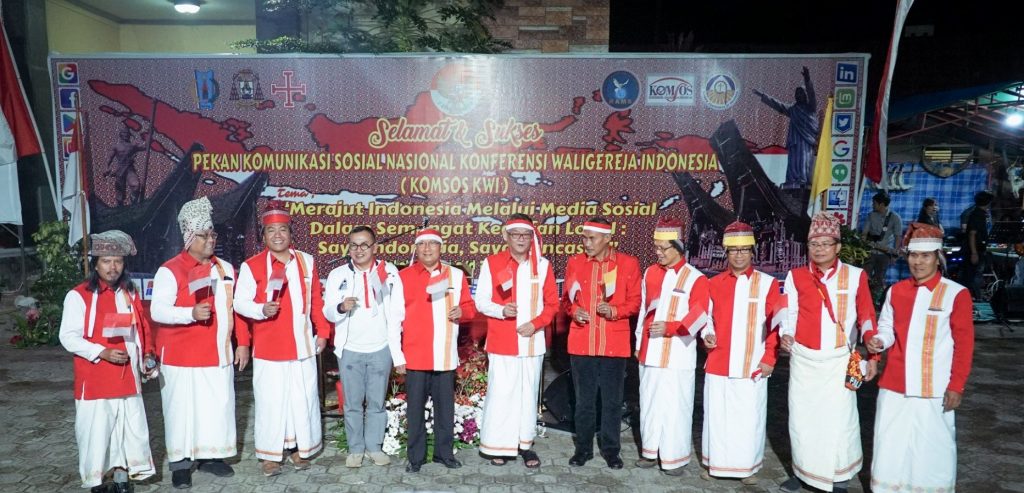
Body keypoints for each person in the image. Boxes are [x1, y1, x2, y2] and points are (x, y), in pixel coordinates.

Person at [865, 222, 974, 492]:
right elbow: (887, 327)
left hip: (934, 386)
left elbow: (964, 345)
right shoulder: (896, 291)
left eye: (925, 256)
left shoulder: (956, 294)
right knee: (890, 441)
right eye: (913, 255)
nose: (918, 262)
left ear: (938, 258)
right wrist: (880, 341)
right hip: (895, 384)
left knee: (933, 445)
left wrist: (957, 385)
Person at [150, 197, 246, 489]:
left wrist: (242, 343)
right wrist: (189, 313)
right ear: (189, 237)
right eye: (204, 235)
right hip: (181, 356)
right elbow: (157, 311)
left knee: (216, 407)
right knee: (180, 410)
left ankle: (210, 457)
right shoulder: (170, 270)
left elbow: (238, 309)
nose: (210, 240)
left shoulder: (225, 268)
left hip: (218, 353)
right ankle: (180, 464)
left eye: (212, 234)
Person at [779, 212, 878, 493]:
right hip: (804, 360)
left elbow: (866, 315)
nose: (819, 249)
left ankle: (839, 477)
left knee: (839, 421)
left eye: (825, 244)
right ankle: (802, 472)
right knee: (802, 419)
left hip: (838, 360)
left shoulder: (855, 276)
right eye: (814, 244)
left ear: (837, 246)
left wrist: (873, 348)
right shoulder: (796, 276)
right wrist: (786, 332)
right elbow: (788, 310)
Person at [234, 203, 331, 477]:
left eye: (283, 230)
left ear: (291, 233)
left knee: (303, 399)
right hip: (269, 348)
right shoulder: (251, 266)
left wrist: (323, 331)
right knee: (271, 401)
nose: (277, 235)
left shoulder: (307, 261)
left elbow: (316, 301)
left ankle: (300, 448)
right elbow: (239, 303)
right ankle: (270, 455)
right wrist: (260, 309)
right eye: (271, 230)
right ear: (263, 236)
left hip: (302, 344)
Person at [59, 230, 157, 493]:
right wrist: (101, 352)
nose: (113, 267)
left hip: (127, 377)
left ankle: (122, 478)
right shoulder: (78, 295)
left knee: (128, 430)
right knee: (97, 433)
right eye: (106, 261)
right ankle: (97, 482)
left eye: (118, 261)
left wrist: (147, 355)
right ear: (95, 264)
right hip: (96, 379)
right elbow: (68, 337)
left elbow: (142, 328)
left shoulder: (129, 293)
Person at [700, 221, 782, 485]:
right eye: (734, 250)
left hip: (752, 363)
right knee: (717, 416)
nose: (739, 255)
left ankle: (747, 468)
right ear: (726, 252)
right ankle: (715, 464)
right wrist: (707, 335)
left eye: (744, 250)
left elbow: (776, 325)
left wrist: (769, 358)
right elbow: (706, 318)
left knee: (749, 418)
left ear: (752, 252)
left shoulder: (768, 284)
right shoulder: (713, 283)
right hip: (719, 361)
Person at [474, 214, 558, 468]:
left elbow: (552, 304)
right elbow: (481, 301)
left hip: (532, 342)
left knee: (528, 395)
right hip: (502, 341)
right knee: (502, 394)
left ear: (532, 237)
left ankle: (525, 446)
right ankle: (497, 445)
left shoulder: (542, 265)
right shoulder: (492, 263)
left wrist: (536, 323)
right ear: (506, 236)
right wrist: (501, 310)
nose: (521, 239)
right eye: (515, 235)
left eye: (525, 235)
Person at [562, 218, 641, 469]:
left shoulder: (628, 264)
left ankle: (611, 451)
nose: (586, 243)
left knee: (612, 402)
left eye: (592, 238)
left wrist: (615, 310)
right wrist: (574, 311)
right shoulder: (575, 262)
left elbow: (635, 302)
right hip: (582, 343)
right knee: (584, 402)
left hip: (613, 344)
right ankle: (583, 450)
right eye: (584, 238)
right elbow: (566, 300)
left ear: (607, 239)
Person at [323, 225, 404, 469]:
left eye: (364, 245)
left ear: (374, 247)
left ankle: (374, 447)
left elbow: (397, 311)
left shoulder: (388, 271)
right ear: (348, 248)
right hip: (350, 350)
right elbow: (327, 310)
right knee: (352, 404)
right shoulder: (338, 274)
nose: (359, 250)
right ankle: (356, 448)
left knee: (377, 403)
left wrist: (396, 352)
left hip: (380, 348)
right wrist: (340, 307)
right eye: (354, 245)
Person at [397, 228, 477, 472]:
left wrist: (462, 312)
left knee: (445, 409)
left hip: (444, 354)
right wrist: (397, 355)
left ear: (441, 247)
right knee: (415, 410)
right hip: (415, 355)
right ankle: (416, 458)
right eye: (422, 244)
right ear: (416, 249)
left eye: (432, 244)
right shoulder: (403, 276)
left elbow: (470, 308)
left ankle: (444, 454)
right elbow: (394, 317)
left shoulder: (456, 275)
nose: (427, 249)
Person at [634, 217, 709, 476]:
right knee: (649, 403)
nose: (658, 253)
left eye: (663, 248)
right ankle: (649, 452)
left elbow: (700, 317)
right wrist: (638, 342)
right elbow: (644, 310)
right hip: (650, 351)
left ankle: (674, 459)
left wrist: (670, 327)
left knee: (677, 406)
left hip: (679, 354)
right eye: (655, 247)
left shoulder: (696, 278)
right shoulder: (650, 273)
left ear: (678, 247)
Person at [753, 66, 817, 188]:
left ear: (805, 95)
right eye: (797, 93)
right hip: (794, 142)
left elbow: (812, 93)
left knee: (803, 162)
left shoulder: (810, 108)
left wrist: (807, 79)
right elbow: (778, 105)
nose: (798, 95)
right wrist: (763, 96)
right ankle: (792, 181)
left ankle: (802, 181)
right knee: (793, 163)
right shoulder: (793, 109)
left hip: (805, 142)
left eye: (801, 93)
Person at [862, 191, 902, 300]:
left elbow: (898, 237)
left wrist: (895, 254)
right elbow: (864, 233)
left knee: (879, 278)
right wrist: (863, 245)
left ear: (882, 204)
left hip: (884, 254)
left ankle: (876, 301)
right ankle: (864, 298)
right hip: (869, 252)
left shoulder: (895, 218)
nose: (872, 205)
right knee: (864, 276)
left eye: (874, 203)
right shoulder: (871, 215)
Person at [961, 191, 994, 298]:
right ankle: (973, 296)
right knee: (972, 275)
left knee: (974, 274)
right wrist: (974, 253)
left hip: (978, 249)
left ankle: (975, 296)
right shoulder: (977, 215)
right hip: (974, 250)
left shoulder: (979, 214)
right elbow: (972, 234)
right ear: (987, 203)